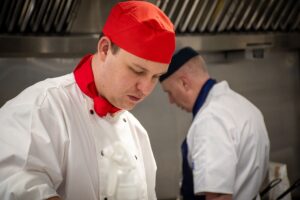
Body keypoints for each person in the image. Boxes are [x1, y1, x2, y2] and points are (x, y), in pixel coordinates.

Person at [0, 1, 175, 200]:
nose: (145, 88)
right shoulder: (42, 106)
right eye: (137, 70)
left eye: (155, 77)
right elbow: (12, 183)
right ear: (105, 48)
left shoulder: (137, 133)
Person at [159, 47, 270, 200]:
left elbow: (218, 196)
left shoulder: (210, 121)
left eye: (169, 92)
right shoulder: (246, 107)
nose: (171, 101)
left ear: (184, 83)